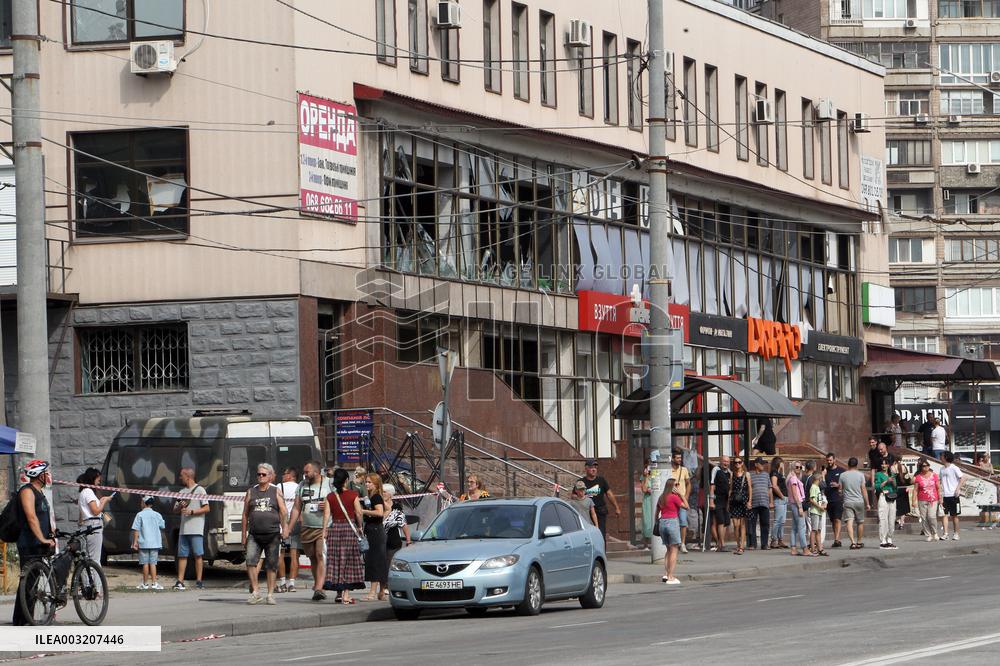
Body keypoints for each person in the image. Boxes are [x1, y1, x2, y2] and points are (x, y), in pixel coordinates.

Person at [13, 460, 56, 626]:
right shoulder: (27, 491)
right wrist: (42, 538)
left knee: (33, 582)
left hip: (39, 543)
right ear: (38, 475)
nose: (48, 475)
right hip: (28, 543)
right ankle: (21, 620)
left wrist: (51, 534)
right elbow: (31, 517)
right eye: (45, 473)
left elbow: (43, 517)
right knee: (28, 582)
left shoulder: (40, 493)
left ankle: (25, 619)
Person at [241, 463, 288, 605]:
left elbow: (283, 511)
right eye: (259, 474)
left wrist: (285, 527)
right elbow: (245, 514)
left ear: (270, 476)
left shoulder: (276, 491)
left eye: (263, 474)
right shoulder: (251, 492)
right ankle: (255, 592)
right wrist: (243, 535)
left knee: (271, 565)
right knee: (250, 561)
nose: (260, 476)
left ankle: (270, 594)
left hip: (272, 534)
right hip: (254, 534)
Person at [287, 460, 331, 601]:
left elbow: (338, 502)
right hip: (306, 527)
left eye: (307, 472)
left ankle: (319, 588)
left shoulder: (329, 484)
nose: (304, 474)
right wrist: (289, 528)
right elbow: (296, 508)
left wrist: (329, 505)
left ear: (316, 472)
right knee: (312, 557)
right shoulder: (302, 485)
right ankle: (318, 583)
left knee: (320, 555)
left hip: (323, 527)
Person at [323, 468, 365, 604]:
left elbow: (326, 515)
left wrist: (324, 530)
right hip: (349, 529)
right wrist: (360, 527)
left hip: (335, 529)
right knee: (348, 560)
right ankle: (346, 594)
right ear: (346, 480)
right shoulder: (353, 495)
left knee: (336, 560)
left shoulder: (330, 496)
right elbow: (358, 513)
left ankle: (338, 593)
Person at [173, 467, 209, 591]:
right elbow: (175, 510)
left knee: (198, 555)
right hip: (184, 530)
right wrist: (179, 507)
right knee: (182, 555)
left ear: (188, 476)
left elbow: (206, 508)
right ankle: (180, 581)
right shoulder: (181, 491)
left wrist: (192, 511)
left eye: (181, 475)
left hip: (196, 529)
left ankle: (199, 581)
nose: (180, 478)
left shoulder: (200, 490)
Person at [578, 459, 621, 543]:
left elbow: (609, 494)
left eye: (595, 467)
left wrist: (617, 507)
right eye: (591, 467)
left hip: (600, 511)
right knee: (588, 535)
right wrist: (582, 497)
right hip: (587, 512)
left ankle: (602, 550)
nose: (594, 469)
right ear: (586, 468)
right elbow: (573, 495)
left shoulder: (601, 480)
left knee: (601, 533)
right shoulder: (581, 482)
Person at [360, 473, 388, 601]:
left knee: (374, 561)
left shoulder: (376, 497)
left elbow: (380, 512)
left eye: (369, 482)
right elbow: (387, 509)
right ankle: (381, 592)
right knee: (380, 561)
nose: (366, 484)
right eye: (366, 482)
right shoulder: (373, 496)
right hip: (375, 530)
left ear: (376, 484)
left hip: (375, 531)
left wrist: (364, 511)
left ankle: (372, 592)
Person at [76, 467, 111, 565]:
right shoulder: (88, 492)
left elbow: (83, 512)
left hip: (86, 524)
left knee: (87, 558)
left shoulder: (83, 492)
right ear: (92, 478)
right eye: (98, 480)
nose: (99, 482)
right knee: (94, 559)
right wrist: (104, 501)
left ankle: (87, 575)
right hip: (93, 525)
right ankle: (95, 576)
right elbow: (95, 511)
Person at [657, 478, 688, 586]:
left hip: (662, 523)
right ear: (672, 486)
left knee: (668, 549)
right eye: (676, 485)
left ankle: (666, 574)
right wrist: (681, 495)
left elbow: (657, 512)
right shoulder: (674, 497)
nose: (678, 487)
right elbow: (686, 507)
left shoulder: (661, 497)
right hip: (672, 522)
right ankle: (670, 577)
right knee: (674, 549)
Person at [131, 496, 165, 590]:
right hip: (155, 543)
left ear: (144, 503)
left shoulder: (139, 515)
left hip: (143, 543)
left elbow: (136, 529)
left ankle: (145, 584)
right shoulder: (157, 514)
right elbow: (162, 526)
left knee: (145, 563)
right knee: (153, 563)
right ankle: (154, 583)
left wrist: (135, 542)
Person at [277, 467, 301, 593]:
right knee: (294, 555)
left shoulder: (279, 487)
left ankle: (282, 582)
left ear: (290, 476)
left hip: (282, 524)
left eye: (284, 474)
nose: (282, 476)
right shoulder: (300, 487)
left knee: (280, 554)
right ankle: (292, 583)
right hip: (295, 523)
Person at [839, 457, 869, 549]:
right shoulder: (860, 475)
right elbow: (863, 489)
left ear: (848, 464)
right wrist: (867, 503)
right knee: (860, 522)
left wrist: (842, 493)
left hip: (848, 501)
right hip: (859, 501)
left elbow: (840, 489)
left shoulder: (842, 475)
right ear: (856, 465)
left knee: (849, 521)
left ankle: (853, 542)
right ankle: (859, 542)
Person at [383, 484, 411, 570]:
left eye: (384, 492)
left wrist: (408, 540)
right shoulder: (378, 506)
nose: (382, 494)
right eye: (381, 492)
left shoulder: (396, 507)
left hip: (393, 542)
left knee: (390, 567)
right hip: (379, 542)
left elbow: (403, 524)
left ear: (390, 494)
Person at [669, 450, 692, 553]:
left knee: (683, 522)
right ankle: (674, 543)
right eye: (677, 458)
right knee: (672, 522)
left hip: (681, 500)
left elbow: (689, 483)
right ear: (673, 458)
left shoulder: (684, 470)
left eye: (680, 458)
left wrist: (686, 496)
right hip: (671, 500)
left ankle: (682, 543)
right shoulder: (668, 470)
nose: (679, 460)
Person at [939, 452, 965, 541]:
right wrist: (940, 493)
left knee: (954, 515)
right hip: (944, 495)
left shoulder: (954, 468)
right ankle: (945, 534)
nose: (940, 457)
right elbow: (940, 481)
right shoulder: (942, 469)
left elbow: (962, 478)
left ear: (946, 457)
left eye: (942, 456)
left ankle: (956, 533)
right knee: (944, 515)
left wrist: (957, 489)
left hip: (954, 495)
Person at [874, 459, 898, 550]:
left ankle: (890, 539)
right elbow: (877, 487)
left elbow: (896, 488)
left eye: (885, 464)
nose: (884, 466)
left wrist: (893, 481)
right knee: (883, 518)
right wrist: (886, 481)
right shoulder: (878, 474)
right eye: (882, 464)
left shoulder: (892, 474)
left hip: (892, 497)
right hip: (883, 496)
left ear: (888, 465)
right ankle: (883, 541)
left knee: (892, 519)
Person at [915, 460, 942, 542]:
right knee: (924, 517)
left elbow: (938, 487)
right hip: (922, 499)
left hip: (933, 499)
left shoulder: (934, 475)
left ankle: (935, 532)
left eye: (927, 465)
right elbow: (915, 490)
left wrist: (940, 498)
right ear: (921, 467)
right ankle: (928, 534)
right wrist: (913, 501)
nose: (926, 467)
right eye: (923, 466)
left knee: (931, 516)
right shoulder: (918, 477)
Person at [748, 457, 771, 550]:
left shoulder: (766, 475)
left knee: (765, 524)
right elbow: (748, 487)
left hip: (765, 502)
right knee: (752, 524)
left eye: (763, 464)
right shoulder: (750, 474)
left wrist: (771, 501)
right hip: (753, 503)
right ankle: (752, 544)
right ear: (756, 464)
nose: (763, 465)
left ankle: (764, 544)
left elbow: (769, 488)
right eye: (761, 463)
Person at [728, 458, 751, 555]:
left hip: (743, 500)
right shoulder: (732, 474)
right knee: (735, 525)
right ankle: (738, 545)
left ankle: (741, 547)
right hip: (734, 501)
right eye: (735, 462)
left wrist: (750, 501)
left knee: (742, 525)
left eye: (739, 462)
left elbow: (750, 488)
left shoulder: (746, 474)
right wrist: (728, 502)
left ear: (742, 463)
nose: (737, 464)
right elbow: (730, 489)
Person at [709, 456, 731, 552]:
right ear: (721, 461)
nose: (726, 463)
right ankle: (722, 544)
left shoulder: (729, 472)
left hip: (726, 500)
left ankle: (721, 543)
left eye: (727, 461)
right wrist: (711, 501)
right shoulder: (716, 470)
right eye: (724, 461)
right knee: (720, 521)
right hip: (718, 499)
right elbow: (712, 485)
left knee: (726, 522)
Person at [824, 453, 846, 548]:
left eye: (830, 460)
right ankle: (836, 538)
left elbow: (846, 484)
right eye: (827, 460)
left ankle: (837, 540)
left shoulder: (841, 471)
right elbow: (821, 483)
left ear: (834, 460)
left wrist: (838, 485)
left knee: (837, 519)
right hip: (828, 499)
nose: (829, 462)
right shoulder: (825, 471)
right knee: (833, 520)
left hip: (838, 498)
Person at [786, 461, 807, 556]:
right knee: (801, 527)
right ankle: (805, 548)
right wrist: (800, 507)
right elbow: (795, 494)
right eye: (797, 467)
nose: (799, 468)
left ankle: (793, 548)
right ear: (792, 467)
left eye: (800, 467)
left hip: (793, 503)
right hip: (797, 503)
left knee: (794, 527)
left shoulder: (791, 477)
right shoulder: (793, 478)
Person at [807, 470, 829, 557]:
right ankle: (813, 549)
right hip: (815, 512)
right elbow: (811, 499)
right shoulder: (813, 487)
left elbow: (818, 499)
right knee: (814, 530)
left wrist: (823, 504)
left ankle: (820, 549)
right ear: (819, 479)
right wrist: (819, 507)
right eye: (821, 479)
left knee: (818, 530)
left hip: (819, 512)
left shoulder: (817, 488)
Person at [769, 457, 788, 549]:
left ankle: (780, 540)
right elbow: (774, 486)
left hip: (783, 499)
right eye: (782, 463)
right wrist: (782, 496)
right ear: (778, 463)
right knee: (777, 521)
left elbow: (782, 481)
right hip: (779, 499)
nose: (783, 464)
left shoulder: (779, 473)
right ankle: (774, 540)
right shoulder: (774, 473)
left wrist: (782, 470)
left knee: (782, 521)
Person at [893, 460, 914, 531]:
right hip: (904, 490)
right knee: (903, 508)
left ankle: (895, 520)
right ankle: (901, 524)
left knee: (895, 506)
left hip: (895, 490)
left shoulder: (892, 468)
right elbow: (908, 480)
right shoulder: (904, 468)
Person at [639, 460, 653, 544]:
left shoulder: (656, 475)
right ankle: (646, 543)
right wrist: (646, 477)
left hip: (655, 500)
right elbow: (644, 489)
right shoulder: (643, 477)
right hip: (647, 500)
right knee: (647, 521)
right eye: (649, 465)